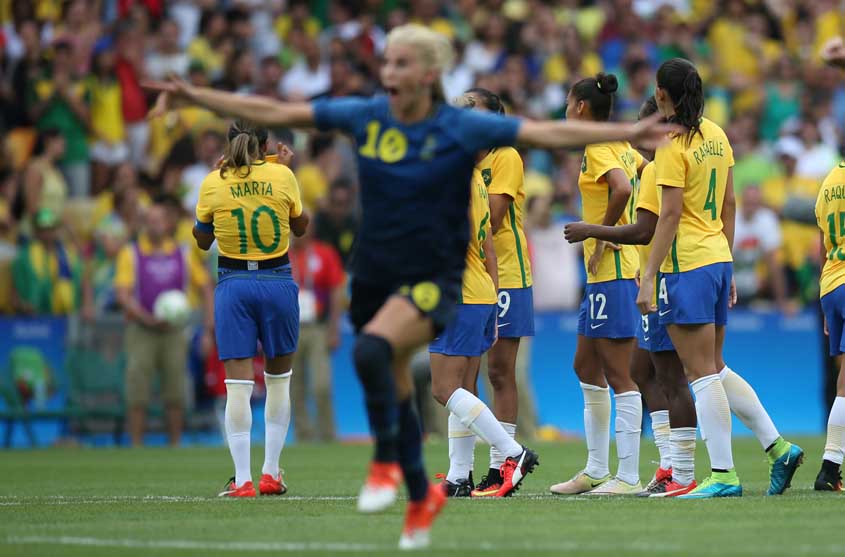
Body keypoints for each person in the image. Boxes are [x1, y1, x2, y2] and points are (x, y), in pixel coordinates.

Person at [145, 23, 673, 549]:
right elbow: (283, 114)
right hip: (399, 273)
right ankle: (432, 475)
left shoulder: (459, 132)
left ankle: (469, 462)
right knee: (391, 360)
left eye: (400, 63)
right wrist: (195, 96)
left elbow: (543, 134)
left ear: (427, 75)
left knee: (417, 370)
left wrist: (624, 134)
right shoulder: (368, 115)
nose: (389, 72)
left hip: (444, 282)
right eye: (387, 63)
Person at [565, 97, 803, 498]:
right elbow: (727, 202)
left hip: (676, 272)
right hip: (707, 260)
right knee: (653, 369)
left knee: (689, 373)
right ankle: (756, 449)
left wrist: (594, 231)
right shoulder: (711, 136)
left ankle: (700, 469)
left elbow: (646, 229)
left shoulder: (663, 164)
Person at [635, 58, 803, 499]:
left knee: (700, 374)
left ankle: (724, 474)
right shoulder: (717, 134)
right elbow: (728, 204)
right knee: (715, 368)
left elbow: (669, 214)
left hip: (686, 263)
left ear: (663, 95)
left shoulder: (671, 143)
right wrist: (726, 262)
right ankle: (778, 446)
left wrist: (648, 275)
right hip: (715, 258)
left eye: (657, 88)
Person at [193, 121, 308, 498]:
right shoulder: (281, 174)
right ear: (266, 145)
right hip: (277, 281)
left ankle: (242, 479)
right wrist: (287, 170)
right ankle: (271, 473)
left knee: (238, 387)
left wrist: (216, 180)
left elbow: (202, 240)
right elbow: (301, 226)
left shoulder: (214, 182)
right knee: (278, 381)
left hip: (234, 285)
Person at [430, 92, 535, 499]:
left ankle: (501, 463)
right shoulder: (468, 170)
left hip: (501, 277)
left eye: (470, 104)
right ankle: (461, 473)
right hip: (484, 277)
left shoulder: (502, 156)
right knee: (465, 381)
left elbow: (491, 219)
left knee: (498, 372)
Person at [550, 73, 645, 497]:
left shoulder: (599, 146)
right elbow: (643, 176)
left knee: (619, 374)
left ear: (581, 107)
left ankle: (628, 476)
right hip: (605, 274)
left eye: (568, 102)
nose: (566, 110)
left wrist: (600, 234)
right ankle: (594, 469)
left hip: (616, 271)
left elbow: (624, 189)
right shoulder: (623, 145)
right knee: (585, 366)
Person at [114, 196, 213, 447]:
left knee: (175, 389)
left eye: (158, 220)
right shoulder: (131, 253)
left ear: (168, 224)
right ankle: (136, 445)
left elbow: (205, 288)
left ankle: (174, 446)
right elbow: (123, 294)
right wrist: (144, 316)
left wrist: (208, 331)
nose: (154, 225)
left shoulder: (183, 253)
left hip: (174, 331)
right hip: (141, 329)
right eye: (149, 220)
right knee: (137, 388)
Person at [288, 223, 345, 442]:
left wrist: (334, 328)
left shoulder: (324, 253)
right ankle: (304, 437)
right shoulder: (282, 256)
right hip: (290, 329)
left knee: (321, 384)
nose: (297, 232)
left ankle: (328, 436)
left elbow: (335, 291)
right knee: (294, 387)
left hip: (317, 328)